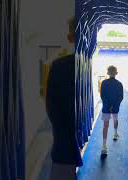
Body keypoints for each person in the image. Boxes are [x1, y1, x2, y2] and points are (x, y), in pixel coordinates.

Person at [46, 17, 82, 180]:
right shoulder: (75, 67)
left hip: (63, 148)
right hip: (66, 147)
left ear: (70, 38)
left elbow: (52, 109)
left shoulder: (59, 66)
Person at [100, 65, 124, 158]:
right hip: (115, 107)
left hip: (106, 107)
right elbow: (120, 97)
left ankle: (104, 146)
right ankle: (115, 133)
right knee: (115, 119)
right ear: (116, 73)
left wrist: (108, 106)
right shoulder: (119, 84)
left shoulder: (104, 83)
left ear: (107, 73)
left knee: (105, 125)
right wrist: (114, 105)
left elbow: (103, 96)